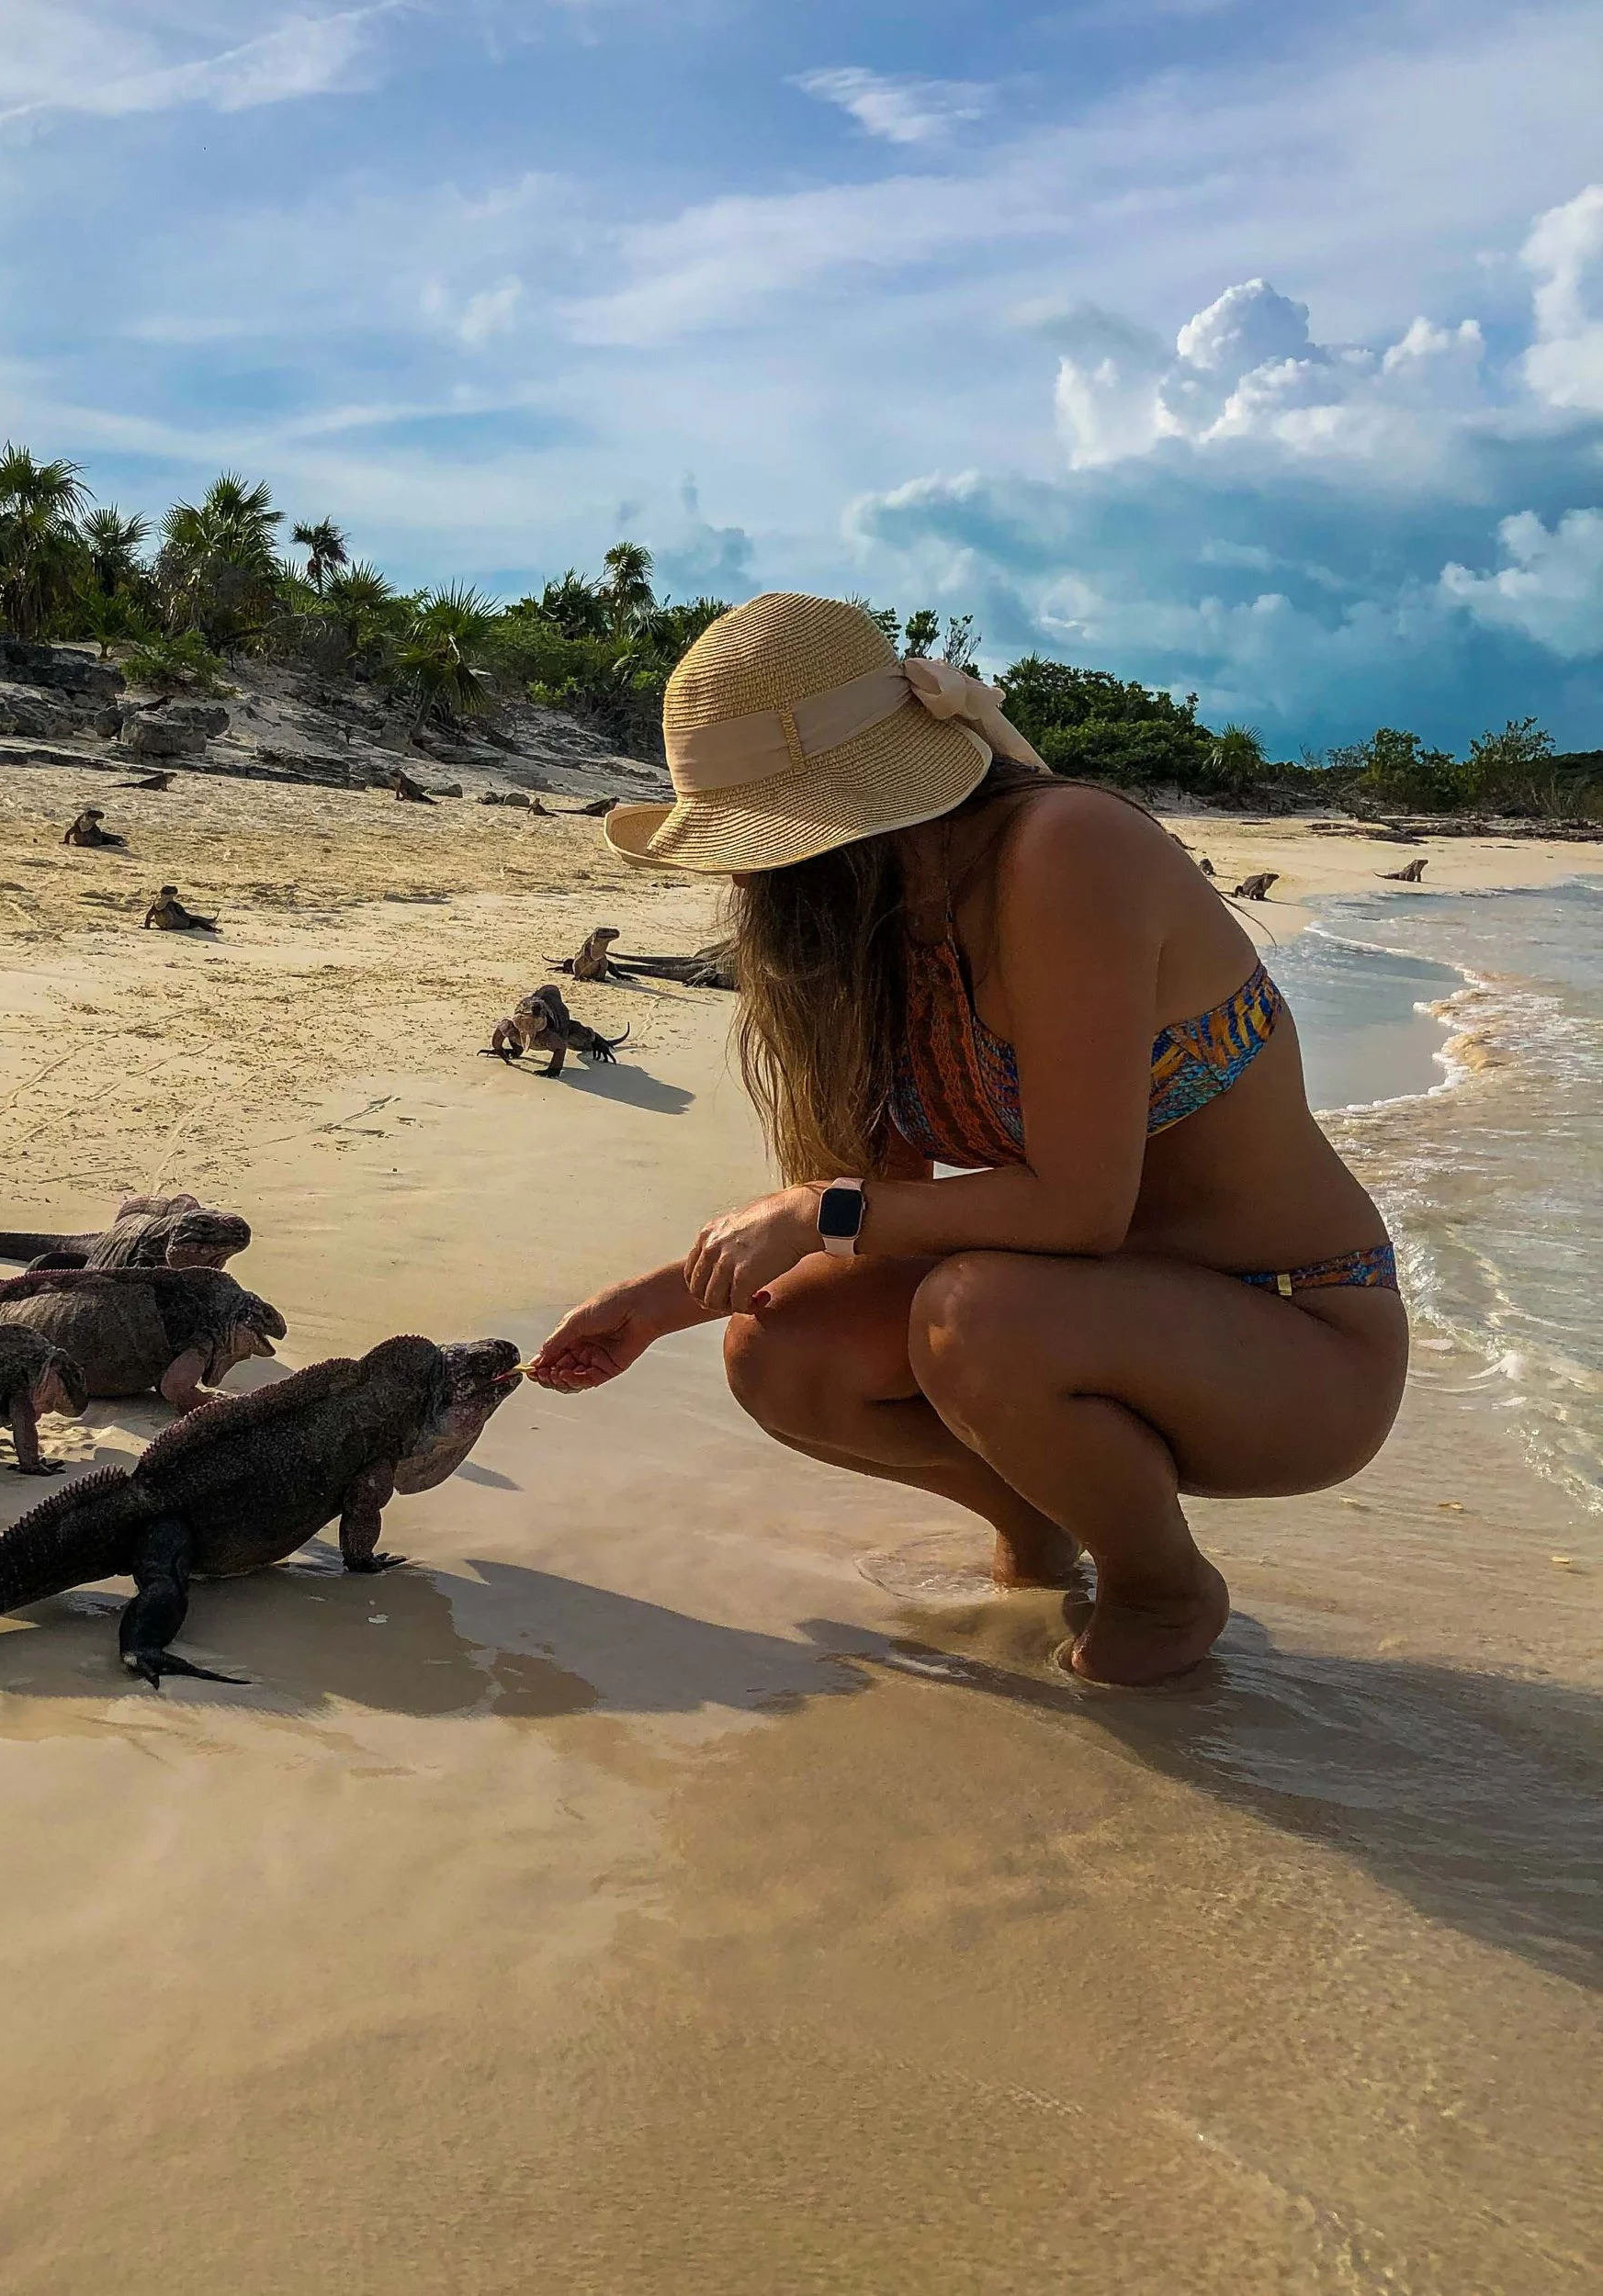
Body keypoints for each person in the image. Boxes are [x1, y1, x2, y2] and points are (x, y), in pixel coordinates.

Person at [531, 595, 1406, 1684]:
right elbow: (885, 1224)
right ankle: (1042, 1522)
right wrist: (659, 1301)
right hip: (1069, 1319)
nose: (752, 872)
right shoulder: (857, 926)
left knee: (973, 1315)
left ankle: (1162, 1587)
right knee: (778, 1347)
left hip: (1296, 1336)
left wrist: (814, 1211)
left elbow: (1080, 1213)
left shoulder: (1064, 849)